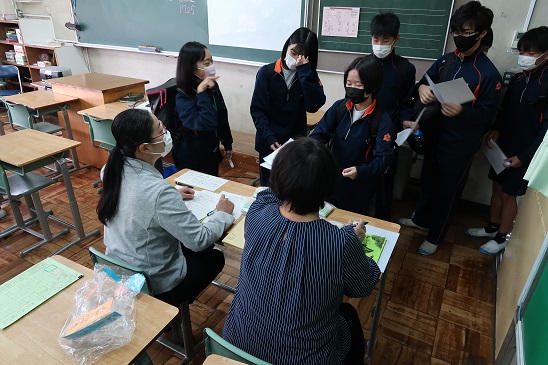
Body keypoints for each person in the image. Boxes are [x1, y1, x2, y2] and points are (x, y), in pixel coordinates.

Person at [223, 138, 380, 365]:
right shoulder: (341, 243)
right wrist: (355, 244)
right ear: (329, 187)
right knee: (349, 316)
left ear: (277, 176)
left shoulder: (257, 212)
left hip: (237, 345)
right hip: (303, 359)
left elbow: (266, 195)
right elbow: (363, 285)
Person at [97, 109, 235, 309]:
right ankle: (171, 312)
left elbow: (138, 194)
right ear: (145, 147)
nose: (165, 132)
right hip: (151, 282)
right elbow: (199, 241)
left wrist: (170, 193)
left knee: (182, 242)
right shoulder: (158, 193)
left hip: (119, 268)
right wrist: (222, 214)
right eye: (159, 130)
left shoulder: (110, 169)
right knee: (214, 256)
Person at [398, 1, 502, 255]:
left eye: (466, 33)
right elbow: (424, 82)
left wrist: (462, 111)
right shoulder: (446, 59)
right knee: (428, 181)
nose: (459, 38)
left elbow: (488, 117)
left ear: (482, 33)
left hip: (460, 144)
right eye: (456, 33)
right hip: (434, 135)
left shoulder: (488, 74)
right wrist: (422, 89)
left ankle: (436, 235)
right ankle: (421, 219)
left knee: (448, 191)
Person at [466, 26, 548, 254]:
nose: (525, 57)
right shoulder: (520, 80)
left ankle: (503, 237)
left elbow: (546, 131)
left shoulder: (546, 83)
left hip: (526, 152)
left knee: (508, 194)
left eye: (532, 53)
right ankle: (492, 227)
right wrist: (496, 130)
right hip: (503, 146)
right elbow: (506, 111)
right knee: (497, 188)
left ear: (545, 53)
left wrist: (524, 157)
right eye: (523, 52)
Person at [310, 55, 394, 215]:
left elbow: (384, 159)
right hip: (331, 179)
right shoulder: (340, 107)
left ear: (372, 87)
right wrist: (313, 149)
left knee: (350, 224)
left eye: (358, 85)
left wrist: (361, 171)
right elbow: (320, 133)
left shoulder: (382, 120)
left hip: (358, 187)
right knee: (324, 218)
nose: (352, 89)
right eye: (349, 84)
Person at [251, 27, 326, 186]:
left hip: (294, 142)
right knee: (268, 187)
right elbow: (257, 110)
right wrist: (269, 137)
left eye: (302, 56)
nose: (297, 59)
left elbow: (313, 106)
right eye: (293, 53)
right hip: (269, 140)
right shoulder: (267, 73)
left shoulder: (308, 75)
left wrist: (304, 73)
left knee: (290, 186)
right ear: (286, 47)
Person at [369, 12, 416, 221]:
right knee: (359, 176)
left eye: (385, 40)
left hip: (389, 133)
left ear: (396, 39)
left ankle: (381, 222)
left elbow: (406, 102)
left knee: (385, 182)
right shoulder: (362, 64)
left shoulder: (405, 68)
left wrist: (406, 119)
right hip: (364, 129)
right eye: (375, 39)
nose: (379, 44)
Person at [173, 41, 233, 176]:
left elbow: (221, 114)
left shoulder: (211, 86)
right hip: (191, 157)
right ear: (192, 68)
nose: (211, 67)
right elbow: (206, 122)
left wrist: (227, 142)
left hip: (210, 150)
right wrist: (201, 93)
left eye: (212, 62)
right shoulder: (182, 95)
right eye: (207, 64)